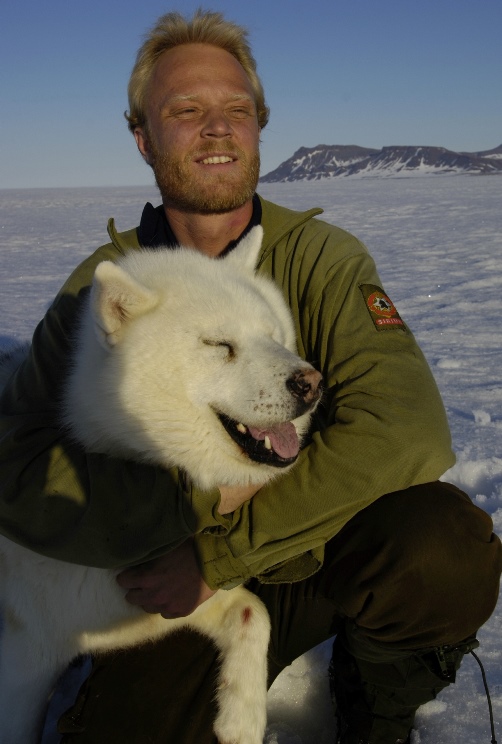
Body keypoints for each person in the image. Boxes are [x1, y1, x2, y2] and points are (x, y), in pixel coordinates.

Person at [0, 10, 500, 744]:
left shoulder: (321, 259)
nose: (216, 128)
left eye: (236, 110)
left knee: (445, 543)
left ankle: (374, 709)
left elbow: (406, 428)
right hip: (161, 579)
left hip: (307, 549)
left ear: (260, 127)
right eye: (185, 111)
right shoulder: (101, 293)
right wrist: (181, 515)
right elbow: (18, 461)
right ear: (143, 136)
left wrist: (218, 550)